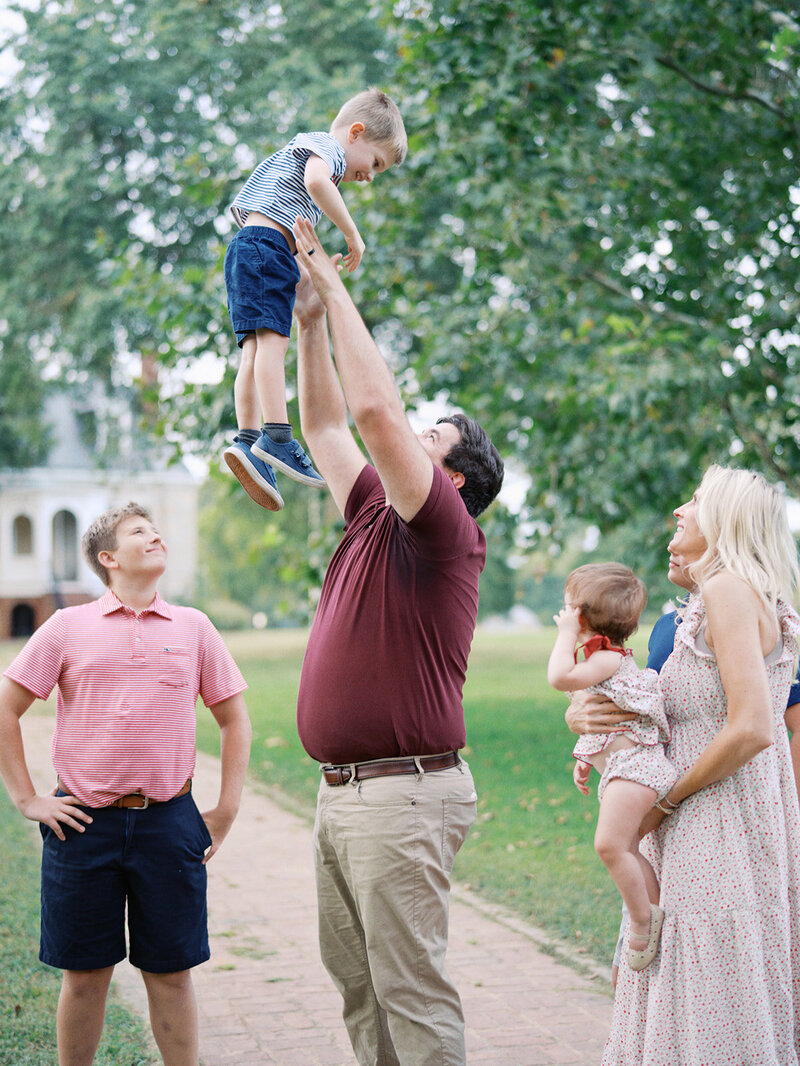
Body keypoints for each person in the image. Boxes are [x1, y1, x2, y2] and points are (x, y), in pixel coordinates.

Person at [290, 217, 504, 1066]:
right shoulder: (374, 513)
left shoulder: (442, 532)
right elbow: (326, 428)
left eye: (428, 442)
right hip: (342, 793)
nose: (405, 441)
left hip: (403, 795)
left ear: (451, 479)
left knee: (409, 995)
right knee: (360, 988)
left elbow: (374, 409)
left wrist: (333, 281)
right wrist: (308, 324)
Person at [0, 503, 251, 1066]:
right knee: (86, 977)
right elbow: (5, 709)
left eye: (157, 528)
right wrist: (27, 799)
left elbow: (234, 719)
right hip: (82, 825)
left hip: (169, 823)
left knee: (171, 974)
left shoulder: (193, 626)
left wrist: (226, 809)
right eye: (140, 531)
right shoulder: (67, 626)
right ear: (108, 558)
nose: (156, 535)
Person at [573, 466, 800, 1063]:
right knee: (697, 977)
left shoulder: (728, 590)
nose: (679, 510)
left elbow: (752, 727)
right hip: (707, 815)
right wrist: (585, 719)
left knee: (703, 980)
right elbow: (670, 710)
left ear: (726, 517)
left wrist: (665, 802)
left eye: (695, 500)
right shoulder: (721, 599)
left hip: (714, 819)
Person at [222, 88, 408, 512]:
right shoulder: (328, 150)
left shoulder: (303, 148)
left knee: (251, 350)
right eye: (375, 163)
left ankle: (249, 444)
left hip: (249, 245)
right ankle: (278, 435)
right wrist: (352, 233)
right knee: (271, 345)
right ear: (356, 133)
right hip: (265, 247)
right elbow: (317, 183)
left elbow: (287, 207)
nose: (370, 176)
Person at [548, 563, 677, 971]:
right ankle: (652, 911)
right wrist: (587, 757)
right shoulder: (605, 660)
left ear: (582, 615)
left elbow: (559, 678)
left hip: (635, 771)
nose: (563, 613)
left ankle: (642, 919)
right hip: (625, 769)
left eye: (569, 608)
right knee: (628, 849)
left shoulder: (605, 658)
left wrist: (564, 635)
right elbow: (614, 721)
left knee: (609, 846)